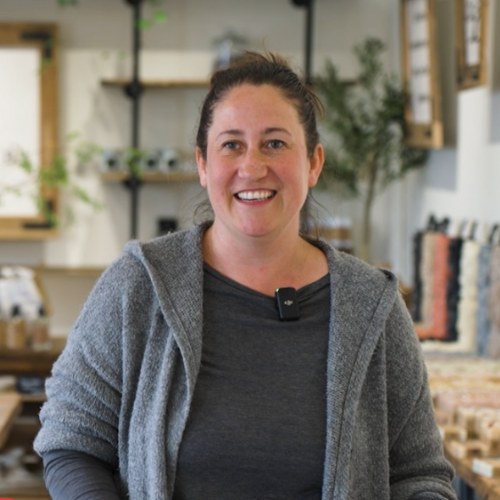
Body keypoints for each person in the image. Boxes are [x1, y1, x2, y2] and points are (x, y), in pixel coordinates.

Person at [34, 52, 457, 500]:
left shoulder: (372, 305)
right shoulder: (138, 286)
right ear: (202, 164)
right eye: (231, 144)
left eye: (275, 143)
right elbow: (70, 442)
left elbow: (420, 475)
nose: (252, 167)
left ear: (313, 163)